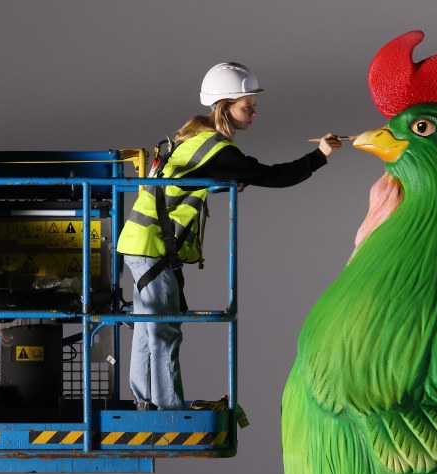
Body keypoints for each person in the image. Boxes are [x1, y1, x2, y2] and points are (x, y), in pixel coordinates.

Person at [116, 62, 343, 410]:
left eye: (253, 104)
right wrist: (320, 156)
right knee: (163, 329)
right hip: (154, 247)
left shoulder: (190, 138)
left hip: (141, 243)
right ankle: (169, 410)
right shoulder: (218, 150)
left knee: (149, 328)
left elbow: (179, 187)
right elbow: (274, 176)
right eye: (245, 105)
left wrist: (223, 185)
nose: (253, 112)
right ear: (224, 107)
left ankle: (146, 403)